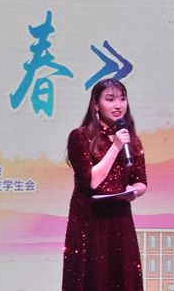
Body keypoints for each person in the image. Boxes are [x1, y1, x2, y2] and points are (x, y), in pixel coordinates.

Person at [62, 78, 147, 290]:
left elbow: (140, 180)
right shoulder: (80, 137)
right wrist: (116, 146)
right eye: (110, 99)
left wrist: (134, 191)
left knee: (122, 275)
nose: (118, 105)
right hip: (90, 220)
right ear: (96, 105)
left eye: (122, 99)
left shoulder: (131, 140)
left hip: (119, 217)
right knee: (92, 277)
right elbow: (92, 181)